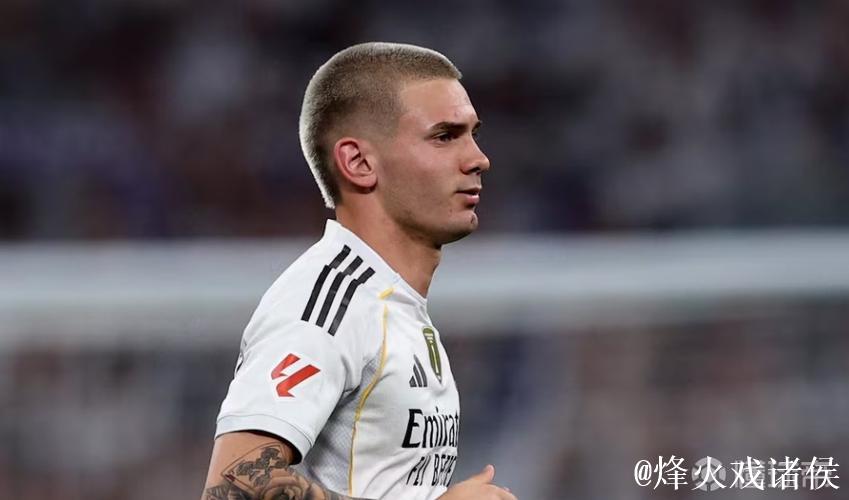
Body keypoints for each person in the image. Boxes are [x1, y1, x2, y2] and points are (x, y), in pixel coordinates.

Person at [202, 42, 515, 500]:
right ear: (359, 163)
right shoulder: (329, 302)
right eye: (445, 136)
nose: (478, 158)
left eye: (473, 134)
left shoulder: (391, 304)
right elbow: (231, 488)